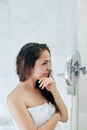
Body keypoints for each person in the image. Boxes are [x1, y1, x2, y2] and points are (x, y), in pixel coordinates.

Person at [7, 42, 68, 130]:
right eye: (44, 63)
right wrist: (56, 116)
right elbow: (61, 115)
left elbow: (65, 117)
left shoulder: (44, 87)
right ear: (28, 66)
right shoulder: (15, 98)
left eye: (49, 63)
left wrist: (54, 91)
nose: (49, 68)